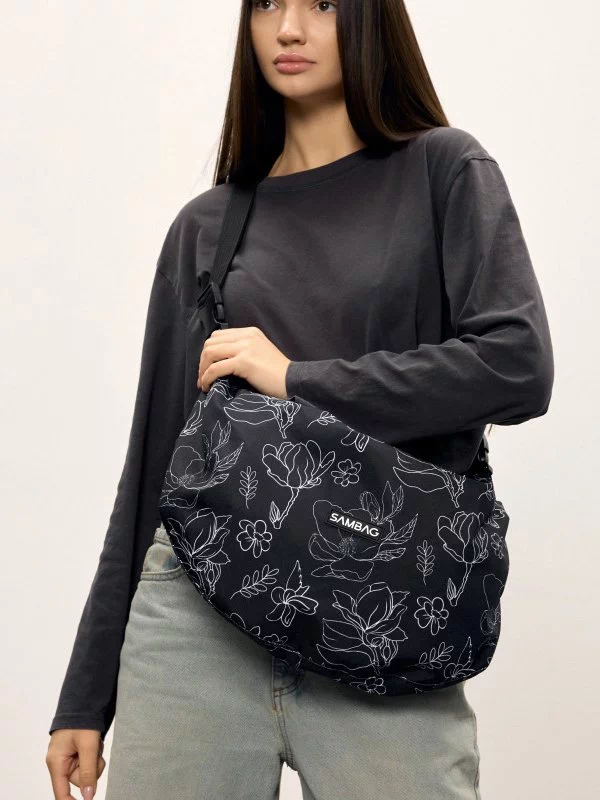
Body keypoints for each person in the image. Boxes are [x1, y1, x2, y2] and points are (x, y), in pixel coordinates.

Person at [45, 1, 554, 799]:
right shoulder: (208, 227)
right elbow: (154, 464)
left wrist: (297, 379)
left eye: (321, 4)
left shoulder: (444, 171)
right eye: (266, 4)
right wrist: (85, 695)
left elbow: (517, 366)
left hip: (386, 619)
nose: (288, 28)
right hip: (195, 635)